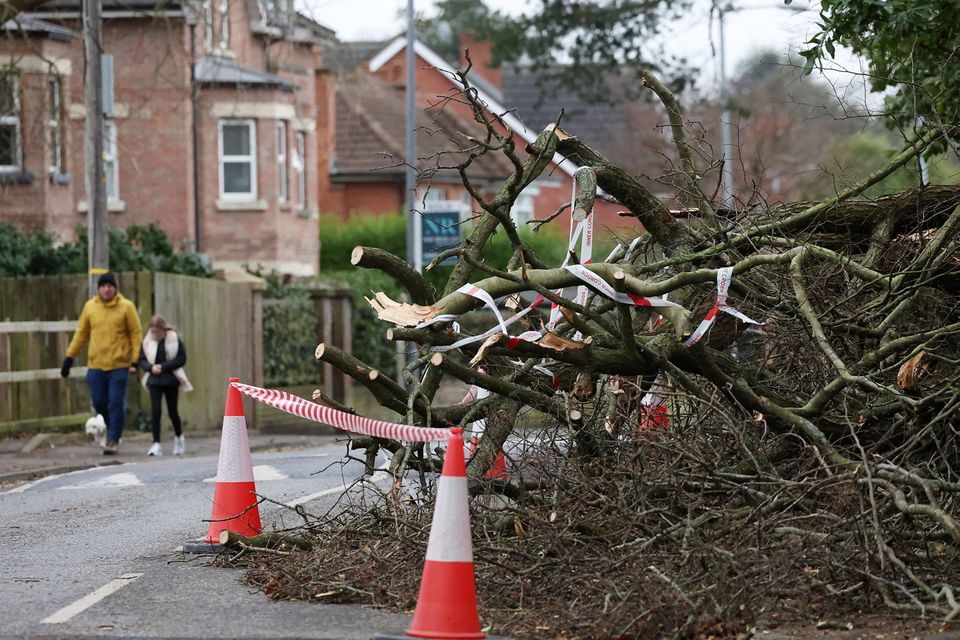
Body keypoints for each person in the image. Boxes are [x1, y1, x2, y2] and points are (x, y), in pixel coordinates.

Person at [61, 272, 142, 454]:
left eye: (110, 286)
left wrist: (136, 359)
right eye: (103, 286)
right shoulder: (90, 307)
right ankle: (110, 427)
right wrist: (69, 357)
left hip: (119, 365)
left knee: (115, 402)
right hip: (96, 364)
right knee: (98, 402)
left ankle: (113, 438)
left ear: (115, 288)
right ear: (98, 289)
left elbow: (136, 333)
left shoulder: (126, 307)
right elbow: (81, 333)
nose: (107, 289)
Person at [137, 315, 192, 456]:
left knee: (172, 410)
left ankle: (179, 438)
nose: (156, 335)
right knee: (156, 411)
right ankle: (156, 443)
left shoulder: (174, 339)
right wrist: (151, 368)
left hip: (171, 380)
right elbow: (141, 360)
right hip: (154, 381)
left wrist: (163, 367)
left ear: (164, 329)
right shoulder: (147, 342)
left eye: (158, 332)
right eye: (153, 332)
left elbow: (181, 359)